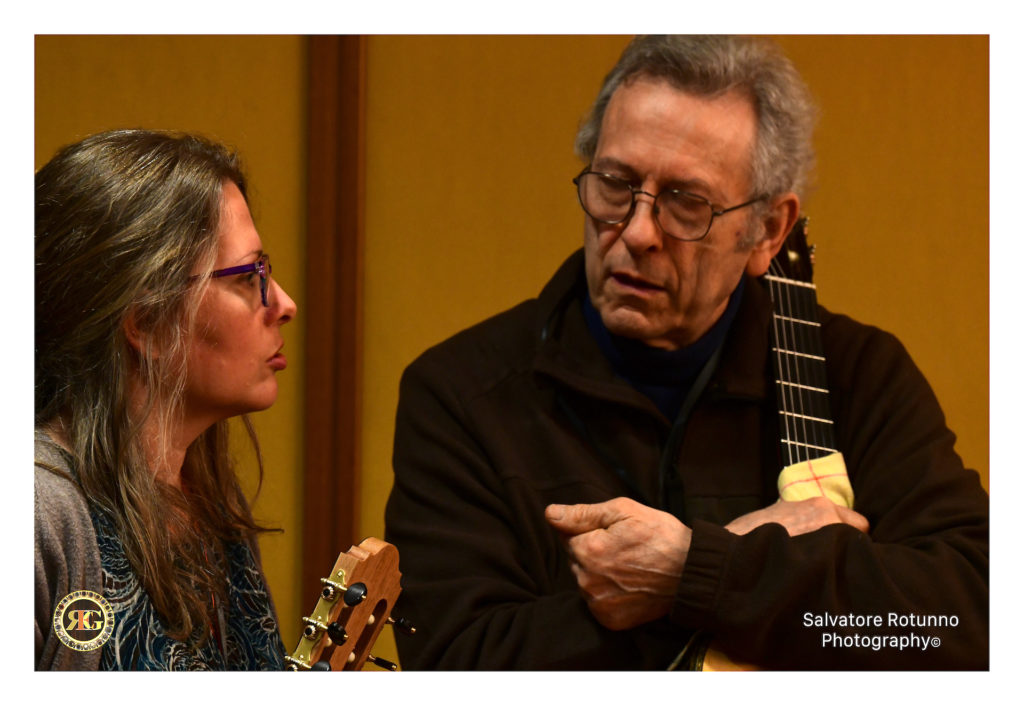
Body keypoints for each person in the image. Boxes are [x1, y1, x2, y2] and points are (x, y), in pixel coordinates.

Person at [384, 36, 988, 669]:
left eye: (686, 203)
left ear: (768, 231)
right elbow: (458, 663)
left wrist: (691, 572)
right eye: (615, 184)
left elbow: (970, 620)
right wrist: (726, 570)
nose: (638, 231)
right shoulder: (459, 394)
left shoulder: (859, 374)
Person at [35, 129, 297, 670]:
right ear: (147, 322)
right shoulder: (34, 513)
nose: (285, 304)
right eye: (249, 276)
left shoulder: (207, 497)